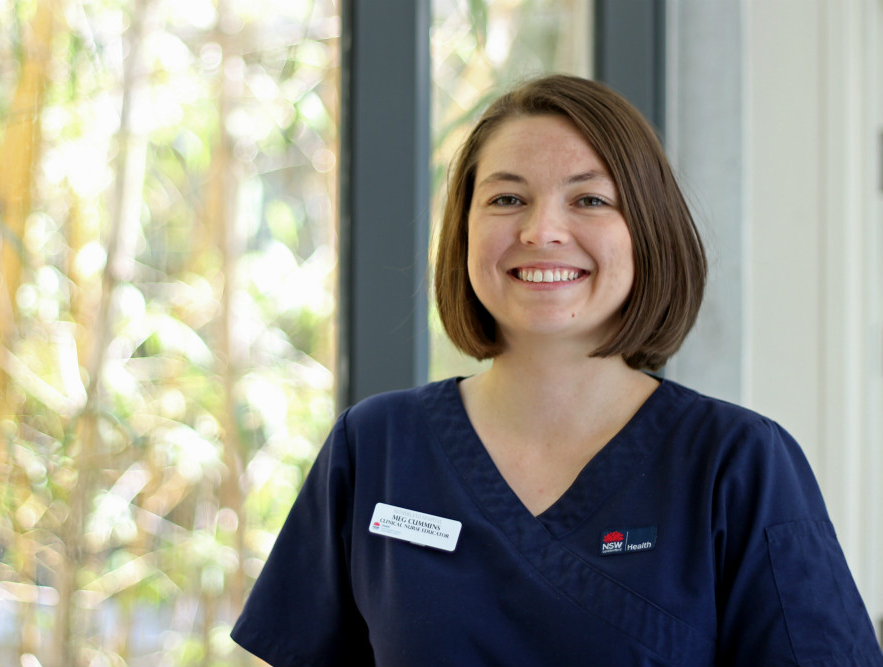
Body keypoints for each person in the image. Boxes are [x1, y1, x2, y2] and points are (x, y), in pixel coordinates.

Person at [231, 75, 883, 666]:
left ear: (648, 230)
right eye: (508, 198)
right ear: (463, 231)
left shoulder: (737, 463)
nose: (542, 230)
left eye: (590, 200)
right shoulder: (375, 446)